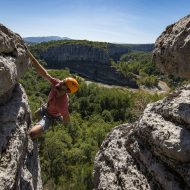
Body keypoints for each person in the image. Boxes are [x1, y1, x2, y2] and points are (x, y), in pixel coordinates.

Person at [27, 51, 79, 139]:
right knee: (36, 114)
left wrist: (60, 121)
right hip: (46, 107)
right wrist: (30, 56)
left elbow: (67, 119)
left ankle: (41, 130)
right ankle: (40, 124)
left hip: (51, 116)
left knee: (32, 134)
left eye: (63, 84)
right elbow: (44, 73)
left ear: (67, 91)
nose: (60, 83)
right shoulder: (57, 83)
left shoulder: (62, 104)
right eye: (62, 81)